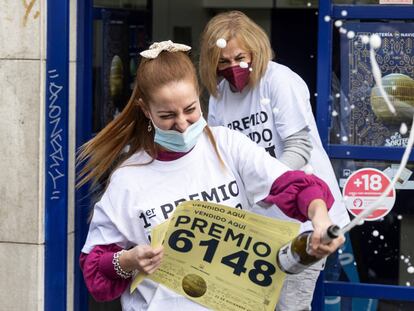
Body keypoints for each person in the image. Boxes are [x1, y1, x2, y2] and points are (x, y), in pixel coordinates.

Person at [78, 40, 345, 311]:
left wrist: (320, 218)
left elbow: (296, 186)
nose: (182, 124)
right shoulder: (128, 179)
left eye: (191, 110)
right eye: (167, 115)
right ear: (146, 110)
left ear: (199, 97)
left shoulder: (228, 145)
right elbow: (94, 268)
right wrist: (129, 260)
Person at [199, 11, 351, 311]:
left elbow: (299, 146)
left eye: (240, 57)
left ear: (256, 50)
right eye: (223, 61)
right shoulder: (219, 96)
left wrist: (272, 185)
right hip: (256, 225)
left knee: (289, 305)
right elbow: (220, 155)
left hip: (304, 219)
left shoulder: (279, 80)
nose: (233, 67)